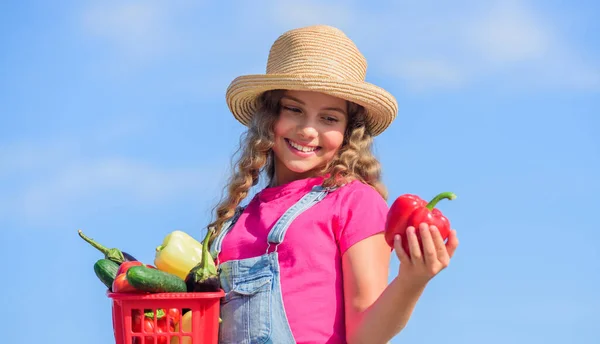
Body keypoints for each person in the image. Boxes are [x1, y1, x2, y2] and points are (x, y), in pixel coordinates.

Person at [206, 25, 459, 344]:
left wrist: (412, 280)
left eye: (329, 118)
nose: (308, 130)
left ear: (349, 132)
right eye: (294, 109)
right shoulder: (233, 225)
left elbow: (365, 336)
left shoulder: (354, 202)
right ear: (269, 116)